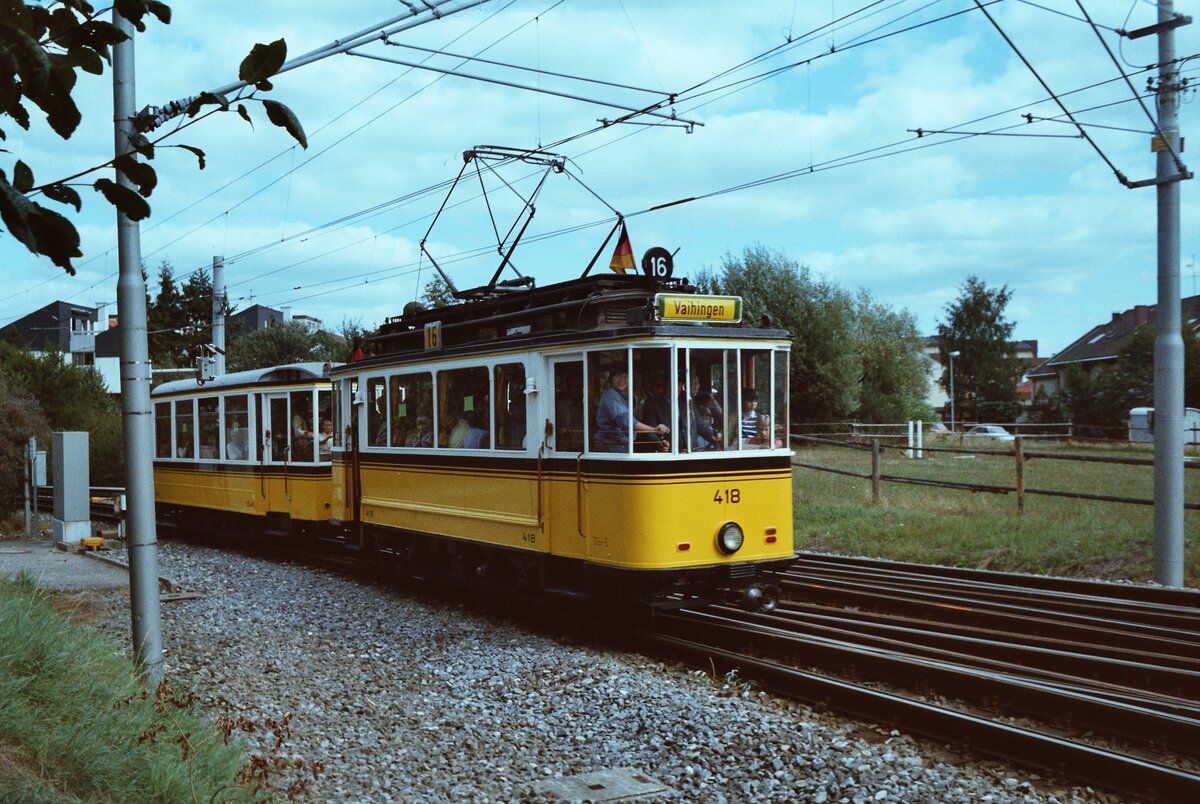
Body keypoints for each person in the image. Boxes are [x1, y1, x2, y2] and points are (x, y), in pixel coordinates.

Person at [594, 369, 668, 452]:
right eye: (619, 376)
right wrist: (653, 429)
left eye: (626, 377)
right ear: (611, 378)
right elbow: (626, 421)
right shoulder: (611, 396)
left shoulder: (625, 397)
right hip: (610, 445)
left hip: (622, 444)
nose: (622, 380)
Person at [679, 374, 721, 451]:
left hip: (692, 449)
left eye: (697, 383)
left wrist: (714, 436)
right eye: (693, 383)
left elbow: (700, 424)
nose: (695, 387)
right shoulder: (681, 400)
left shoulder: (689, 401)